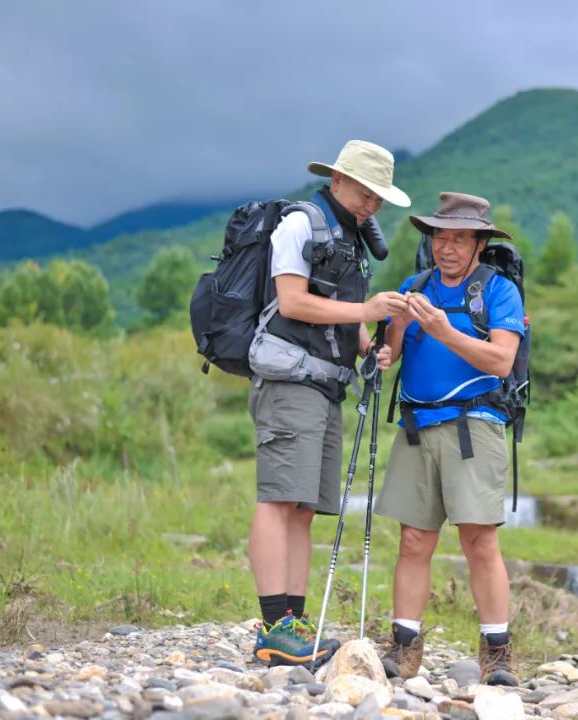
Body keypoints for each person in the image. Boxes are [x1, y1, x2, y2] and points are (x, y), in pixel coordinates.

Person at [249, 140, 410, 667]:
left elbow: (339, 308)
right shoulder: (302, 223)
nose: (372, 206)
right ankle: (273, 626)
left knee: (303, 507)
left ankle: (293, 624)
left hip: (326, 384)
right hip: (290, 379)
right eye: (367, 193)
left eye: (379, 199)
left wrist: (368, 345)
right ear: (338, 180)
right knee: (277, 500)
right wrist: (366, 308)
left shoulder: (350, 237)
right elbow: (292, 300)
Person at [373, 192, 524, 686]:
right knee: (413, 539)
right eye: (440, 236)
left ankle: (497, 653)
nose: (448, 247)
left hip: (473, 426)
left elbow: (500, 361)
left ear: (480, 243)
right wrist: (387, 341)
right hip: (416, 427)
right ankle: (403, 646)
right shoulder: (414, 286)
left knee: (479, 539)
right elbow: (390, 353)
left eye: (459, 238)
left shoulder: (499, 292)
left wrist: (440, 328)